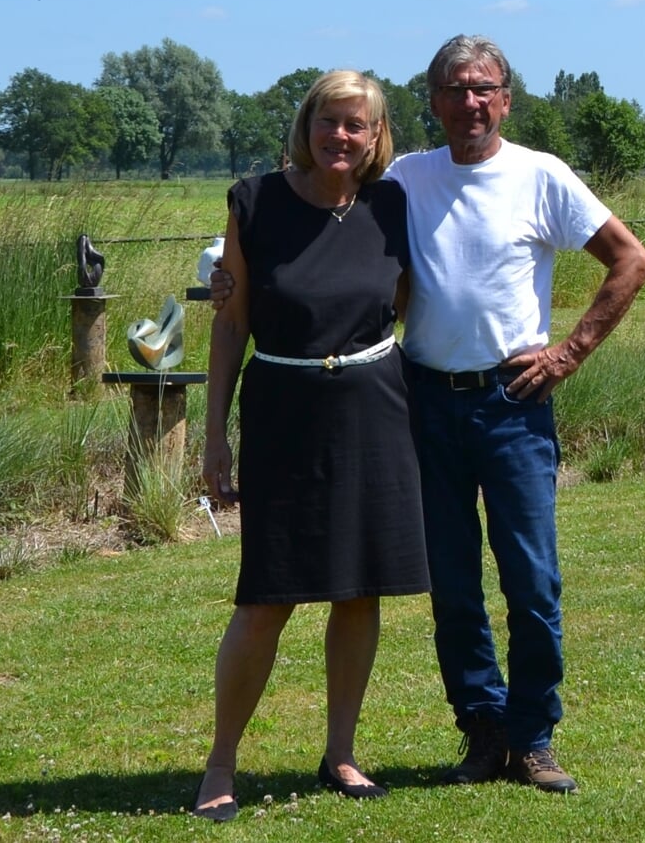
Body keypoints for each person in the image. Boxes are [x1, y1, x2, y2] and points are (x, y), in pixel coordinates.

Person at [218, 36, 645, 793]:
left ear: (506, 98)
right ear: (433, 103)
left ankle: (534, 738)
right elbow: (314, 226)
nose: (470, 104)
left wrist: (568, 353)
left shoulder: (541, 176)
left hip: (513, 405)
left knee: (532, 583)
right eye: (454, 91)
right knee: (453, 589)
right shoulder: (403, 181)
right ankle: (482, 731)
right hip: (419, 403)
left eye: (483, 89)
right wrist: (233, 281)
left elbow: (632, 259)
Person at [194, 71, 429, 822]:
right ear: (308, 123)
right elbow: (229, 323)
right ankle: (221, 765)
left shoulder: (391, 205)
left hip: (374, 411)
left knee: (359, 590)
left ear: (375, 134)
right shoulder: (254, 201)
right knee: (268, 595)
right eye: (330, 120)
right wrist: (213, 438)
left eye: (357, 125)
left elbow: (403, 298)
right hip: (282, 413)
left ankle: (342, 753)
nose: (342, 136)